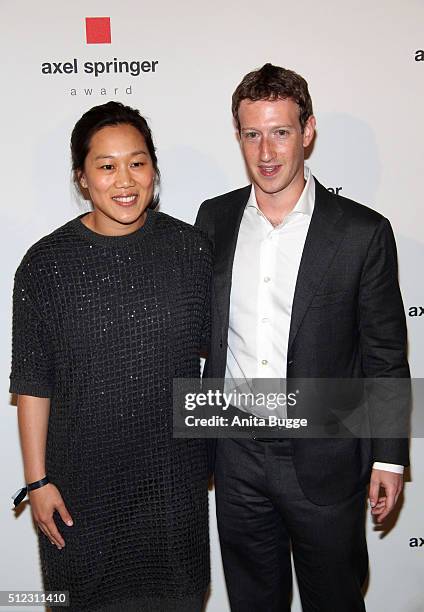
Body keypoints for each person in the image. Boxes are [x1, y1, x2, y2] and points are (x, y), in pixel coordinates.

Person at [195, 64, 409, 611]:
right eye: (252, 133)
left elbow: (385, 354)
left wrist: (388, 458)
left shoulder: (362, 232)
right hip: (236, 452)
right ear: (239, 135)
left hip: (325, 453)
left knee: (335, 600)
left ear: (307, 131)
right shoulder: (213, 220)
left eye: (281, 131)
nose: (266, 152)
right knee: (252, 602)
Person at [10, 101, 212, 612]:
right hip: (81, 492)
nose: (124, 179)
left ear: (154, 170)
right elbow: (33, 382)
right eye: (106, 165)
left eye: (137, 162)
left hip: (173, 488)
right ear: (82, 178)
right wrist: (37, 481)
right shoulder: (45, 265)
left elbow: (223, 358)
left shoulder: (191, 250)